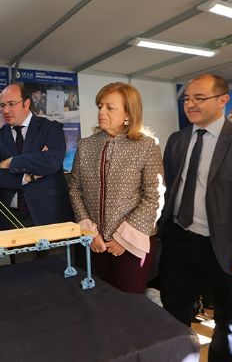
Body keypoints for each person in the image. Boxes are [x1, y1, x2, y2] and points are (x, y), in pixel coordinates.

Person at [158, 74, 232, 361]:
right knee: (173, 318)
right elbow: (174, 186)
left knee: (230, 327)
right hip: (179, 243)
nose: (191, 105)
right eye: (187, 99)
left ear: (223, 100)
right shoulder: (177, 139)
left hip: (228, 250)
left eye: (200, 98)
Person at [67, 83, 163, 293]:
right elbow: (75, 188)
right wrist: (89, 231)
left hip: (133, 243)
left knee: (130, 303)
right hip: (95, 242)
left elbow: (154, 197)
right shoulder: (86, 145)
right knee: (102, 299)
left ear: (128, 112)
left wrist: (123, 240)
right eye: (100, 106)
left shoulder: (146, 145)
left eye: (110, 108)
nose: (101, 112)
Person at [0, 83, 73, 231]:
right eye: (3, 105)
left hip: (49, 217)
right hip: (11, 219)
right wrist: (26, 177)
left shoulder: (50, 128)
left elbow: (52, 162)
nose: (6, 110)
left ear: (26, 103)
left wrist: (10, 162)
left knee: (57, 255)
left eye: (11, 104)